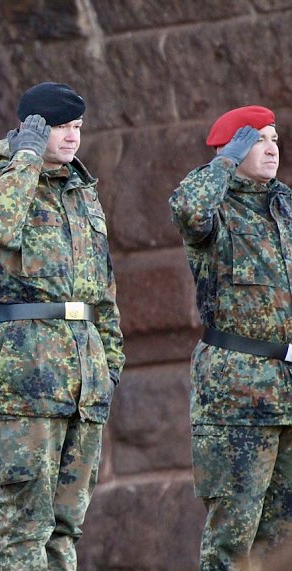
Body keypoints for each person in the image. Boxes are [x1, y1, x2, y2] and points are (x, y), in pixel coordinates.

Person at [0, 82, 125, 570]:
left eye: (78, 127)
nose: (73, 137)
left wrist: (109, 364)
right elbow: (1, 226)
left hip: (83, 378)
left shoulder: (82, 191)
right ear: (32, 128)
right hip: (24, 375)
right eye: (60, 127)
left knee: (65, 526)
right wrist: (27, 157)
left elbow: (102, 289)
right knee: (26, 524)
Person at [169, 105, 292, 570]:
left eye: (274, 138)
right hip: (237, 394)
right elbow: (187, 208)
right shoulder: (214, 206)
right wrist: (223, 162)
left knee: (283, 544)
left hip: (289, 389)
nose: (271, 148)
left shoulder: (286, 206)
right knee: (233, 540)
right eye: (257, 139)